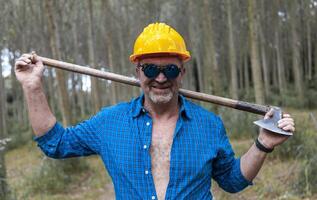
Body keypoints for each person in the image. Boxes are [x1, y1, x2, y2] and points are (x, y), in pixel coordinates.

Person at [15, 22, 295, 200]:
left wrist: (263, 145)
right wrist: (32, 86)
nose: (161, 78)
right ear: (137, 71)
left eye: (170, 69)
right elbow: (56, 144)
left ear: (182, 72)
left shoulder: (209, 125)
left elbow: (233, 181)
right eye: (151, 69)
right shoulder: (109, 123)